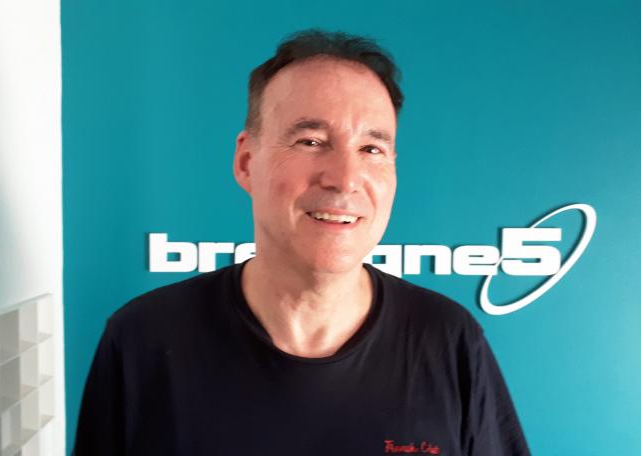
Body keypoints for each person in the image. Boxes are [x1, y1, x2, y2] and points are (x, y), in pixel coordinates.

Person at [73, 29, 531, 455]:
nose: (344, 178)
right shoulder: (142, 340)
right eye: (311, 141)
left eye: (371, 149)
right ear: (246, 161)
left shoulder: (449, 339)